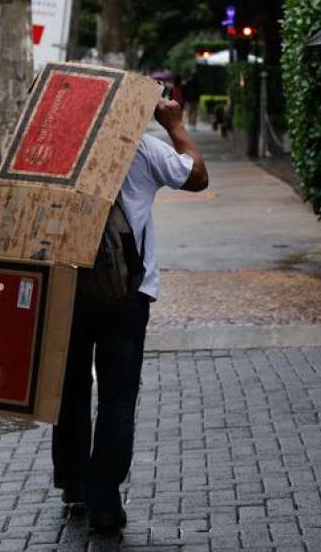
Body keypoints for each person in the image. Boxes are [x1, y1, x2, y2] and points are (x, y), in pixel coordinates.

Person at [52, 97, 209, 533]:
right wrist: (174, 124)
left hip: (67, 286)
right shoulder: (140, 148)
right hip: (126, 292)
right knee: (118, 398)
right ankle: (104, 500)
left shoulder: (59, 146)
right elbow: (197, 176)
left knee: (70, 387)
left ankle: (73, 483)